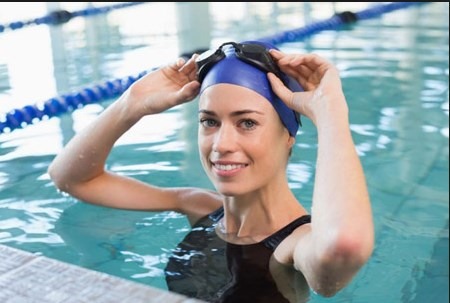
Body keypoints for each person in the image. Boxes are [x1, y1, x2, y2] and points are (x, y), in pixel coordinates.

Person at [48, 40, 374, 302]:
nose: (221, 144)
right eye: (210, 121)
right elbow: (72, 179)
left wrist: (329, 114)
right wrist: (129, 104)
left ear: (287, 136)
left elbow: (343, 248)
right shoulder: (200, 206)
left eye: (247, 123)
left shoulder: (294, 244)